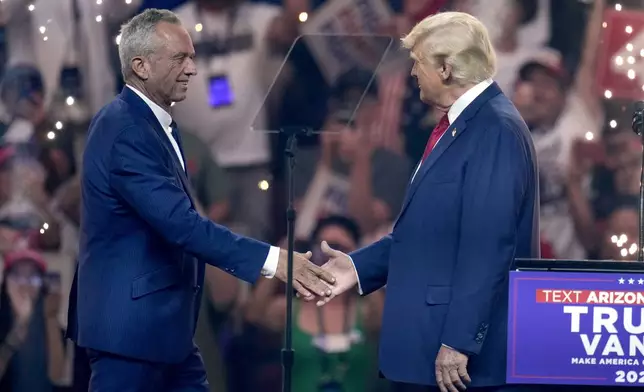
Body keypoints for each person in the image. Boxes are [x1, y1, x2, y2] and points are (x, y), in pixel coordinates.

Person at [66, 8, 335, 392]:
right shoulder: (123, 128)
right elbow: (180, 224)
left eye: (191, 57)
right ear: (140, 66)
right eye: (180, 58)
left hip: (167, 329)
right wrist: (274, 260)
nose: (192, 68)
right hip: (131, 331)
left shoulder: (157, 125)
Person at [318, 12, 540, 392]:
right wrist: (357, 268)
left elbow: (488, 246)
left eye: (418, 62)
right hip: (428, 351)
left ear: (446, 68)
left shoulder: (495, 129)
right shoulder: (458, 126)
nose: (412, 73)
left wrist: (459, 341)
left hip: (462, 363)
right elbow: (428, 231)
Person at [246, 215, 385, 392]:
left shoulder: (365, 312)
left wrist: (360, 261)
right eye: (324, 247)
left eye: (339, 248)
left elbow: (385, 321)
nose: (330, 256)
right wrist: (282, 253)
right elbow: (253, 314)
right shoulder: (289, 309)